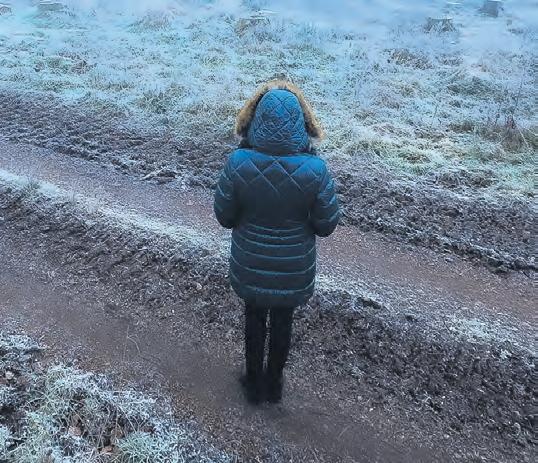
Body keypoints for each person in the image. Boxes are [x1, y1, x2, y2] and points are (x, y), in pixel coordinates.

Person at [214, 80, 340, 404]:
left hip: (250, 261)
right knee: (284, 320)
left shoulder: (237, 163)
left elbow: (224, 216)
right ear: (302, 121)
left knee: (254, 317)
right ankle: (274, 385)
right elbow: (326, 224)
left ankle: (253, 384)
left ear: (254, 119)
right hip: (293, 267)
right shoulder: (316, 169)